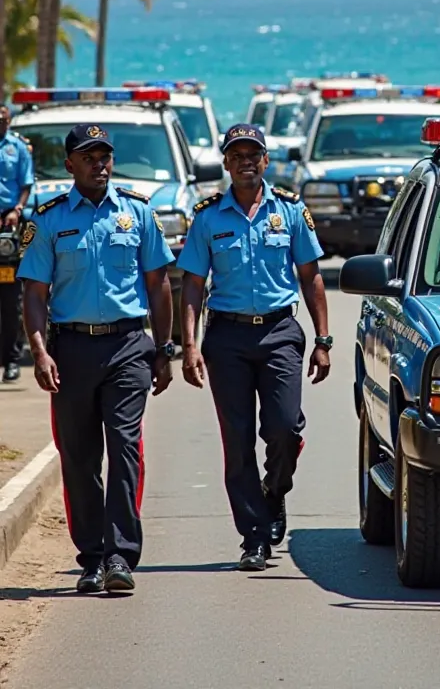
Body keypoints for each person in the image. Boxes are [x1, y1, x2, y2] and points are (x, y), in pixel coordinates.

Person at [18, 123, 176, 595]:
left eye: (104, 154)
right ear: (70, 165)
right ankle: (91, 556)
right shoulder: (47, 220)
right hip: (71, 350)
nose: (99, 163)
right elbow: (34, 293)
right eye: (88, 156)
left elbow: (158, 284)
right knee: (80, 458)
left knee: (125, 449)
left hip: (129, 345)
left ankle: (121, 556)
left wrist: (164, 349)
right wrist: (40, 352)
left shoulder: (138, 212)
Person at [179, 123, 332, 572]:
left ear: (266, 161)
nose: (246, 161)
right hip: (226, 337)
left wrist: (323, 341)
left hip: (281, 332)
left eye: (254, 154)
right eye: (237, 154)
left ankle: (274, 492)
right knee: (237, 439)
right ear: (226, 163)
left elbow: (311, 276)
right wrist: (188, 346)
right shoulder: (207, 217)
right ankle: (254, 536)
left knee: (285, 428)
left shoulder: (290, 211)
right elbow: (191, 284)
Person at [0, 104, 34, 382]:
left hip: (8, 224)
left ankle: (11, 360)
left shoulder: (17, 148)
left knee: (10, 298)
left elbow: (26, 184)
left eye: (3, 117)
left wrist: (16, 210)